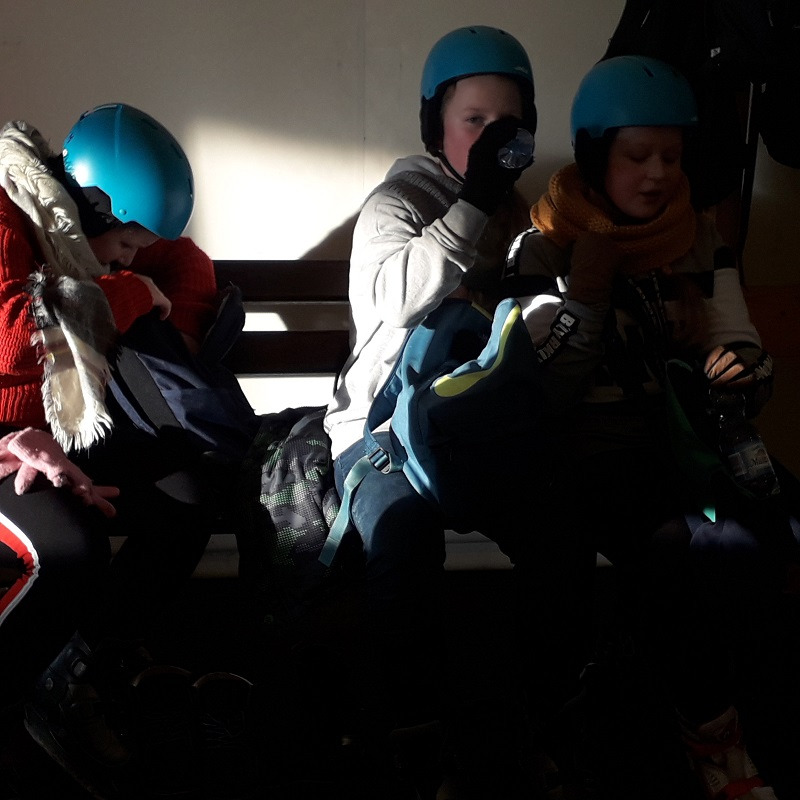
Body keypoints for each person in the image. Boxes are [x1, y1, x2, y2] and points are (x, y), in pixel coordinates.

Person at [505, 55, 800, 799]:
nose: (659, 174)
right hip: (592, 452)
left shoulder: (697, 235)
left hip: (688, 446)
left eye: (671, 156)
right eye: (637, 156)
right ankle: (715, 742)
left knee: (780, 530)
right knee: (678, 549)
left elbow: (741, 343)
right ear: (595, 155)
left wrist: (742, 369)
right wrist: (590, 288)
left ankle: (760, 724)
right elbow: (548, 389)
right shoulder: (543, 243)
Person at [322, 24, 577, 798]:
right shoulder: (395, 203)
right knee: (402, 538)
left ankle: (543, 718)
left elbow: (541, 315)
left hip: (473, 427)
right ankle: (410, 741)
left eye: (510, 125)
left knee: (561, 530)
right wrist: (474, 204)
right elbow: (396, 299)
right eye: (475, 121)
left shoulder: (521, 211)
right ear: (437, 124)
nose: (494, 138)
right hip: (381, 431)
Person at [0, 103, 242, 792]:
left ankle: (83, 664)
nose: (131, 257)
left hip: (63, 428)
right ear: (95, 206)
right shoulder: (7, 212)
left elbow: (181, 258)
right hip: (7, 437)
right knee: (72, 546)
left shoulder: (75, 225)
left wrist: (173, 314)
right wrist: (128, 293)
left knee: (188, 498)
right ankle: (22, 695)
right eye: (126, 243)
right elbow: (12, 335)